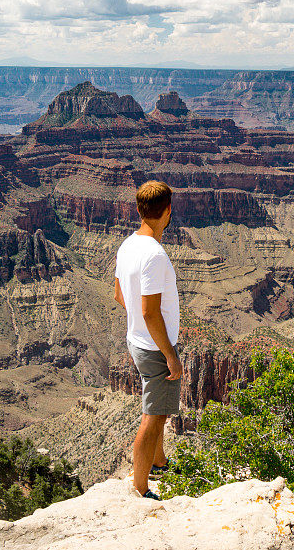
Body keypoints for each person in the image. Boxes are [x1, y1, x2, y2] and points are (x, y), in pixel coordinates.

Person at [114, 180, 183, 500]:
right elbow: (150, 311)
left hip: (137, 341)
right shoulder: (155, 255)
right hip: (155, 347)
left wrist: (139, 324)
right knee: (153, 417)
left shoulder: (128, 245)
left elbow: (119, 295)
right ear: (167, 211)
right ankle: (140, 489)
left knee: (159, 409)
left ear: (140, 210)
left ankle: (158, 461)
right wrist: (170, 355)